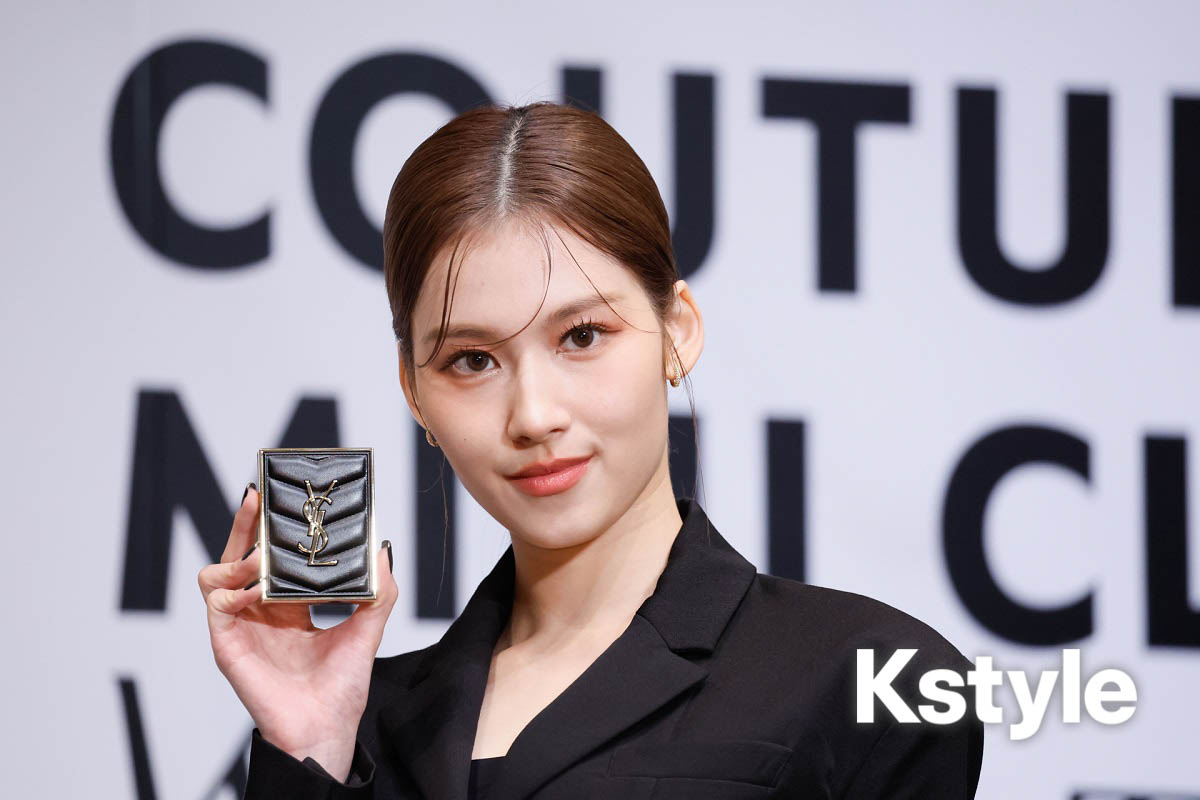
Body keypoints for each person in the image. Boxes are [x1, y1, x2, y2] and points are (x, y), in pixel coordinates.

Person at [199, 102, 984, 799]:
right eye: (472, 360)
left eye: (581, 336)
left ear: (677, 333)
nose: (534, 416)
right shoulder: (361, 727)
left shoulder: (873, 679)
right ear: (415, 393)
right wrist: (309, 748)